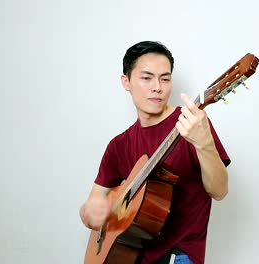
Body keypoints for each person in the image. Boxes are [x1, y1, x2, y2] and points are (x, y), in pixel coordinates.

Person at [80, 41, 231, 264]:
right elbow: (91, 204)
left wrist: (204, 143)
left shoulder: (191, 123)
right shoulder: (118, 145)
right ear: (126, 82)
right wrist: (90, 214)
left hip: (179, 255)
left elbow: (219, 191)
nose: (157, 87)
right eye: (146, 78)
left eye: (165, 78)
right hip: (130, 257)